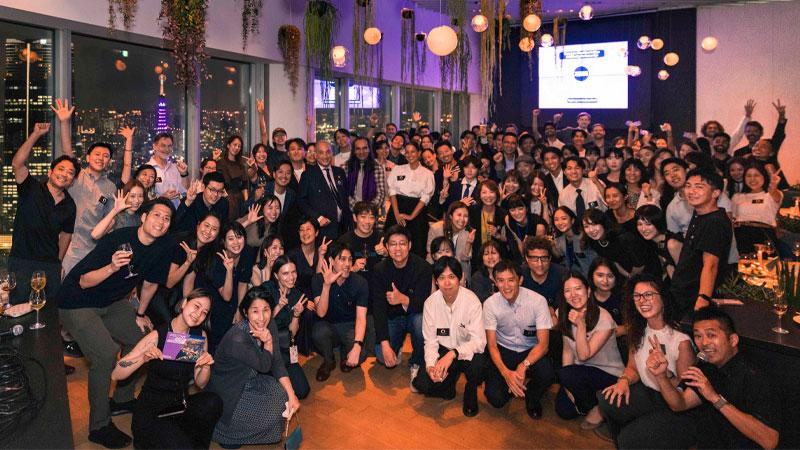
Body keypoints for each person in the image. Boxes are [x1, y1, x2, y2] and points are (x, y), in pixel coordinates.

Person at [56, 199, 176, 448]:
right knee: (105, 355)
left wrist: (140, 313)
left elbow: (152, 283)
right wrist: (112, 266)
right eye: (157, 215)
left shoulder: (163, 247)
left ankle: (121, 399)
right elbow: (83, 281)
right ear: (143, 217)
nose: (161, 221)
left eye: (166, 218)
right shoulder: (119, 239)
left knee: (139, 339)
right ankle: (99, 426)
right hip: (78, 300)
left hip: (112, 301)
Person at [647, 307, 780, 449]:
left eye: (711, 335)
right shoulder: (706, 366)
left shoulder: (755, 375)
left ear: (733, 340)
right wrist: (661, 376)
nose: (704, 343)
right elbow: (680, 404)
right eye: (698, 336)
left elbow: (770, 441)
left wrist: (715, 399)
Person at [111, 289, 222, 450]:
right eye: (196, 306)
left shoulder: (199, 336)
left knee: (213, 402)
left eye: (204, 312)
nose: (199, 314)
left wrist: (205, 366)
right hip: (152, 412)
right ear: (184, 303)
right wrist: (142, 358)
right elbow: (116, 374)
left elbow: (201, 383)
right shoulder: (158, 335)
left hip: (177, 407)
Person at [597, 274, 695, 448]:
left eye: (649, 294)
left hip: (673, 403)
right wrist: (624, 380)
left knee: (629, 440)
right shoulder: (638, 330)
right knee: (607, 399)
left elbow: (685, 391)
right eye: (637, 296)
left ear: (663, 298)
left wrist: (665, 374)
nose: (642, 300)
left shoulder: (681, 341)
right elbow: (632, 368)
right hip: (648, 391)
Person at [208, 286, 301, 447]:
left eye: (266, 310)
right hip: (229, 389)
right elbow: (265, 366)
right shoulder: (238, 337)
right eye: (255, 311)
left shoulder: (269, 323)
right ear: (245, 312)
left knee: (282, 394)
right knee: (272, 412)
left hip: (249, 379)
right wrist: (269, 342)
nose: (261, 317)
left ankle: (241, 429)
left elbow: (277, 362)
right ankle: (226, 433)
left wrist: (292, 394)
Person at [8, 121, 78, 304]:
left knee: (48, 312)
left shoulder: (70, 205)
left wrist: (58, 262)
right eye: (61, 169)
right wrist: (36, 134)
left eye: (70, 173)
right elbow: (17, 163)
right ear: (50, 172)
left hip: (49, 264)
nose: (64, 174)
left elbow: (66, 235)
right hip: (22, 260)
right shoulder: (31, 188)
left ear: (72, 181)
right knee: (19, 309)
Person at [413, 257, 486, 417]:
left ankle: (470, 390)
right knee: (422, 384)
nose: (447, 283)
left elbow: (479, 342)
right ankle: (448, 384)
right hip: (443, 350)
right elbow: (430, 341)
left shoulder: (472, 301)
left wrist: (453, 354)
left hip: (466, 353)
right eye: (442, 277)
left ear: (460, 278)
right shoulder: (430, 303)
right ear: (436, 281)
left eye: (452, 277)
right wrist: (431, 366)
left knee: (479, 365)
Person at [483, 261, 555, 419]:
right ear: (495, 282)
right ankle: (511, 386)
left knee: (547, 373)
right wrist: (506, 373)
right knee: (496, 399)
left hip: (530, 350)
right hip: (504, 349)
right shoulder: (490, 304)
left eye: (511, 280)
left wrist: (523, 366)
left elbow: (543, 345)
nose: (506, 286)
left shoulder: (538, 301)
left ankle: (532, 396)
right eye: (500, 280)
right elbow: (492, 346)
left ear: (520, 280)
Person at [555, 272, 625, 429]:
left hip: (608, 373)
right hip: (580, 372)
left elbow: (583, 355)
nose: (573, 295)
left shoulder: (604, 318)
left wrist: (581, 325)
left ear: (588, 291)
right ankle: (589, 397)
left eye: (578, 289)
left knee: (567, 375)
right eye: (568, 291)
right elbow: (567, 350)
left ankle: (598, 406)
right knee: (564, 411)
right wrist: (568, 386)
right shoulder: (563, 313)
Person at [371, 226, 432, 388]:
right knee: (382, 356)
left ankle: (416, 363)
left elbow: (424, 304)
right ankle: (394, 347)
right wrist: (384, 343)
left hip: (415, 315)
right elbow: (378, 310)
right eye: (393, 244)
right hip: (393, 318)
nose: (398, 248)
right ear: (386, 247)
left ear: (410, 245)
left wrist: (402, 299)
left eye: (402, 243)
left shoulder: (423, 268)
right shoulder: (379, 270)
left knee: (420, 322)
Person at [671, 169, 733, 318]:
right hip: (683, 292)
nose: (691, 191)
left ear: (716, 193)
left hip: (695, 296)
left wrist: (703, 298)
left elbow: (711, 265)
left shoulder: (715, 222)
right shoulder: (700, 213)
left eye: (699, 187)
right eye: (688, 186)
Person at [312, 243, 372, 380]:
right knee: (318, 332)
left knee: (361, 354)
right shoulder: (318, 279)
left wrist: (357, 346)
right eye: (342, 259)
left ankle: (346, 354)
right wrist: (326, 286)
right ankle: (329, 360)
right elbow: (320, 313)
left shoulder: (360, 282)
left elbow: (361, 317)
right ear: (332, 261)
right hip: (328, 325)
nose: (347, 264)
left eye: (350, 259)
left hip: (349, 326)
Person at [194, 222, 256, 353]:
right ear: (224, 242)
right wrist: (228, 270)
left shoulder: (247, 253)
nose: (236, 243)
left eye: (239, 237)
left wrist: (239, 309)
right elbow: (226, 296)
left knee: (231, 337)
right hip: (209, 301)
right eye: (231, 239)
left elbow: (243, 283)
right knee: (204, 344)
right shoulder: (217, 259)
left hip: (231, 299)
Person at [259, 256, 311, 398]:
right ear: (276, 275)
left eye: (293, 272)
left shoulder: (298, 295)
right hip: (264, 346)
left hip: (285, 349)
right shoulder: (266, 290)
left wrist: (296, 315)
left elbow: (292, 334)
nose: (291, 277)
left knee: (302, 391)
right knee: (275, 393)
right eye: (285, 273)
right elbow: (259, 324)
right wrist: (278, 307)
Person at [385, 142, 435, 257]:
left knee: (416, 247)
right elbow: (392, 192)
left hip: (417, 212)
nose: (409, 154)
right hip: (397, 208)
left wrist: (411, 216)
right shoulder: (397, 169)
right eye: (407, 152)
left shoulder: (427, 174)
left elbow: (425, 198)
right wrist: (396, 215)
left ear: (419, 153)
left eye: (413, 151)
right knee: (392, 244)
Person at [298, 140, 351, 243]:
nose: (325, 156)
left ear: (332, 153)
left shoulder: (339, 172)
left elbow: (345, 198)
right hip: (323, 230)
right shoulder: (308, 175)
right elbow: (301, 201)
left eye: (328, 152)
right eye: (321, 153)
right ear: (316, 155)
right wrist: (318, 217)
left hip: (343, 228)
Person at [731, 163, 782, 254]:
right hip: (740, 235)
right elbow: (732, 219)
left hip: (763, 234)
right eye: (749, 176)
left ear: (764, 176)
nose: (752, 179)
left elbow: (775, 194)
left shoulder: (769, 195)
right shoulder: (737, 196)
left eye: (756, 175)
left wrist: (773, 185)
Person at [582, 208, 644, 279]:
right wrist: (628, 276)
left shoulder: (622, 237)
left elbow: (639, 265)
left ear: (603, 223)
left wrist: (632, 278)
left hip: (645, 271)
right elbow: (613, 262)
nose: (591, 230)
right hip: (627, 275)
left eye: (594, 224)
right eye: (586, 226)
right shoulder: (593, 241)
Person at [427, 201, 475, 282]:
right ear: (450, 216)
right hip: (437, 270)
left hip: (458, 272)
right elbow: (430, 253)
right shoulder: (436, 228)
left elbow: (464, 260)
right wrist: (430, 275)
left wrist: (469, 243)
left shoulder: (468, 233)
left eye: (465, 216)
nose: (462, 219)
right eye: (459, 215)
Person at [635, 205, 683, 281]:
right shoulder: (652, 242)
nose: (643, 229)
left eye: (648, 224)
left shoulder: (672, 244)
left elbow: (685, 272)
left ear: (658, 223)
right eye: (640, 224)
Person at [521, 236, 568, 312]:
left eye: (544, 258)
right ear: (527, 258)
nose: (540, 264)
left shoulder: (562, 275)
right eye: (534, 259)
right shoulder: (519, 275)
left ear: (550, 258)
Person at [147, 132, 189, 206]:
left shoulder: (176, 168)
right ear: (154, 147)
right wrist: (162, 198)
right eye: (163, 146)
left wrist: (184, 174)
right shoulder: (147, 168)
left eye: (169, 146)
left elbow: (185, 192)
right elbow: (144, 198)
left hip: (176, 213)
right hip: (156, 213)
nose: (167, 149)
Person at [551, 206, 596, 277]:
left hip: (590, 275)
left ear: (572, 220)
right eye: (556, 220)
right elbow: (560, 256)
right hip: (573, 275)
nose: (560, 223)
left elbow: (592, 262)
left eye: (564, 219)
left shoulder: (583, 236)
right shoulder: (560, 238)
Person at [345, 136, 386, 210]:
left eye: (364, 148)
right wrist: (357, 209)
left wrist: (369, 210)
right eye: (358, 149)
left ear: (369, 149)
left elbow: (381, 193)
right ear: (354, 151)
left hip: (371, 212)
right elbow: (344, 192)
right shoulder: (346, 167)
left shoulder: (377, 167)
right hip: (351, 210)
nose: (361, 152)